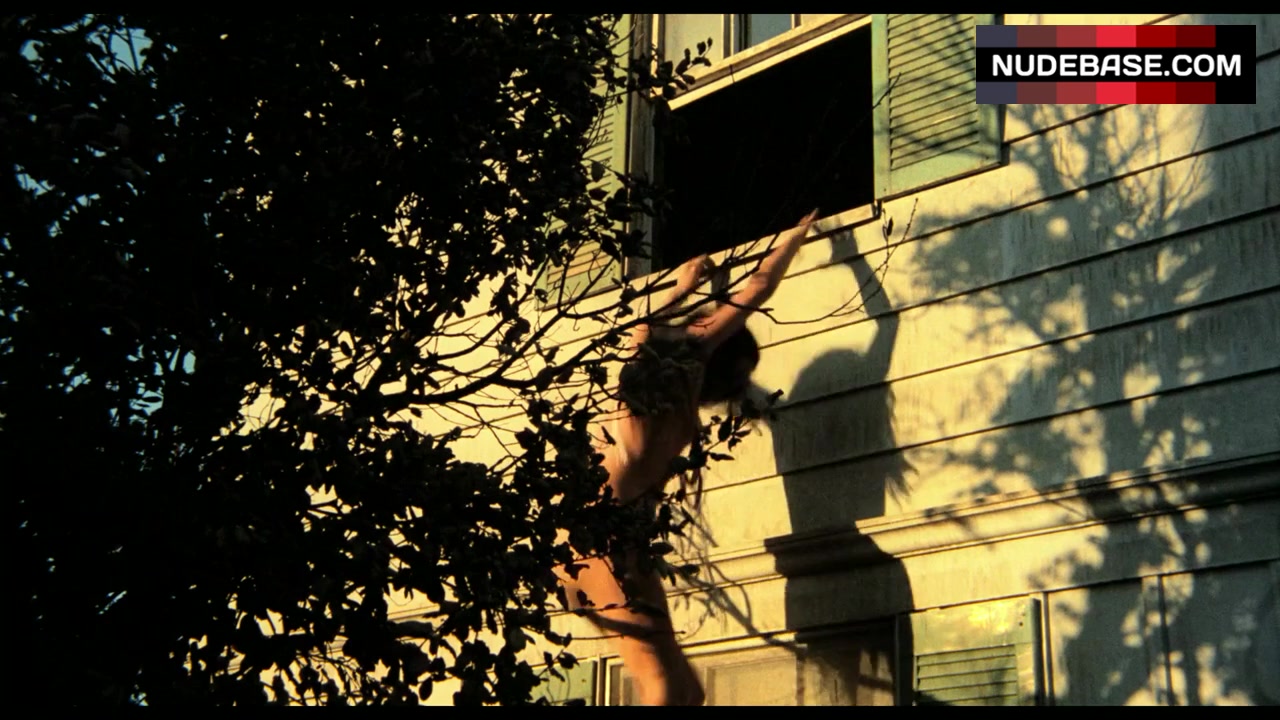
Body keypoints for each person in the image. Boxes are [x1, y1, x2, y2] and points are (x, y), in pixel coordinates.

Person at [554, 210, 820, 706]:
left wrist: (684, 284)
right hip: (606, 537)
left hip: (593, 537)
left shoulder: (646, 365)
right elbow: (759, 286)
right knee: (662, 685)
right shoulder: (685, 371)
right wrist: (796, 232)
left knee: (685, 693)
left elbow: (649, 322)